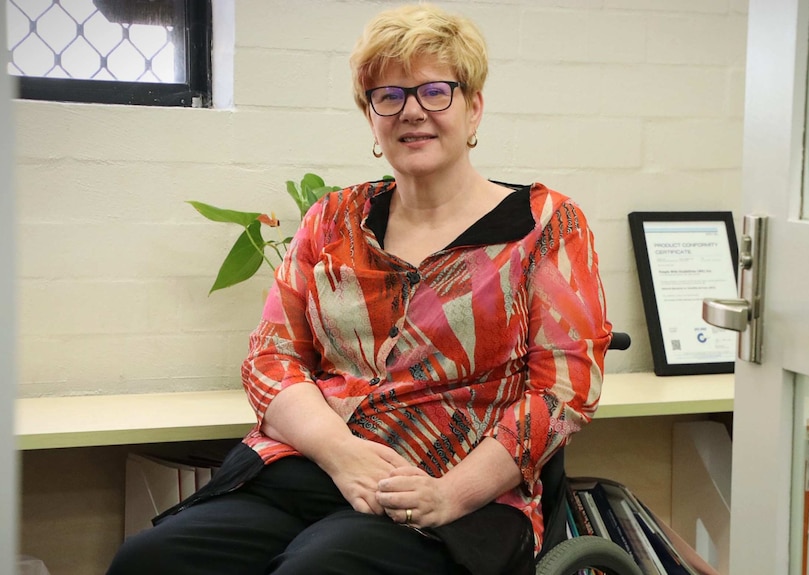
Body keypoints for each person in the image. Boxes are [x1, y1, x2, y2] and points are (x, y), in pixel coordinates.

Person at [106, 4, 611, 574]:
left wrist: (449, 495)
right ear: (371, 118)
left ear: (474, 109)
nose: (411, 112)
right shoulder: (332, 219)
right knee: (149, 560)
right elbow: (272, 358)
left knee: (317, 568)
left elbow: (561, 395)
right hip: (313, 468)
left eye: (434, 91)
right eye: (388, 96)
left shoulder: (546, 225)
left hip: (454, 495)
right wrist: (340, 454)